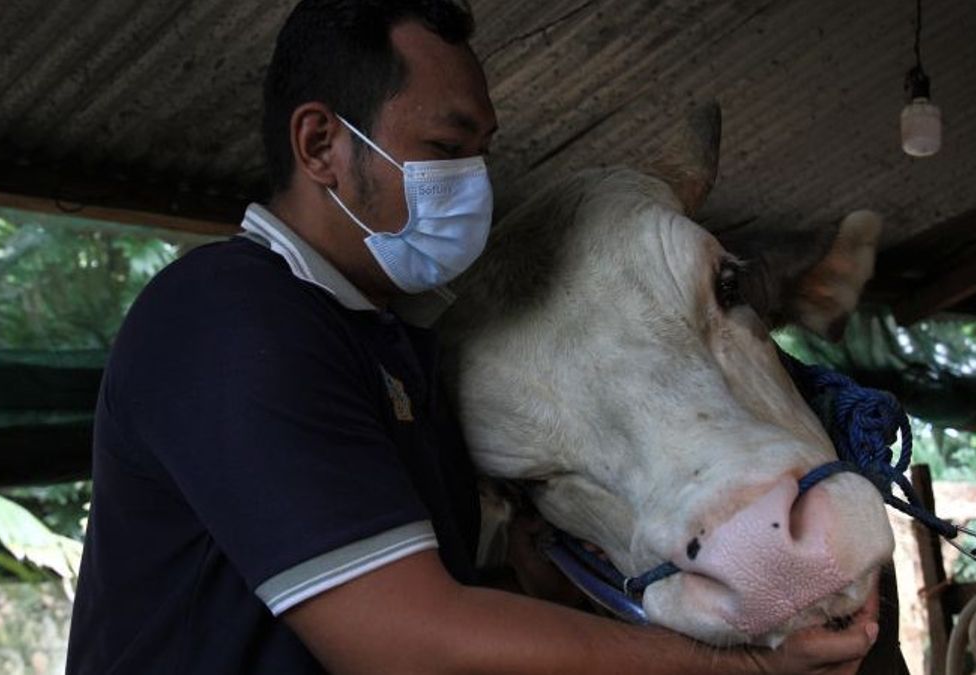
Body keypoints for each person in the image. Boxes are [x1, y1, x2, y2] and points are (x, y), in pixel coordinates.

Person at [66, 1, 883, 672]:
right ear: (321, 145)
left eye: (481, 154)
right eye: (444, 149)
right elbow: (407, 638)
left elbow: (462, 592)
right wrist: (738, 670)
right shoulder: (228, 314)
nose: (475, 186)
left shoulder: (396, 350)